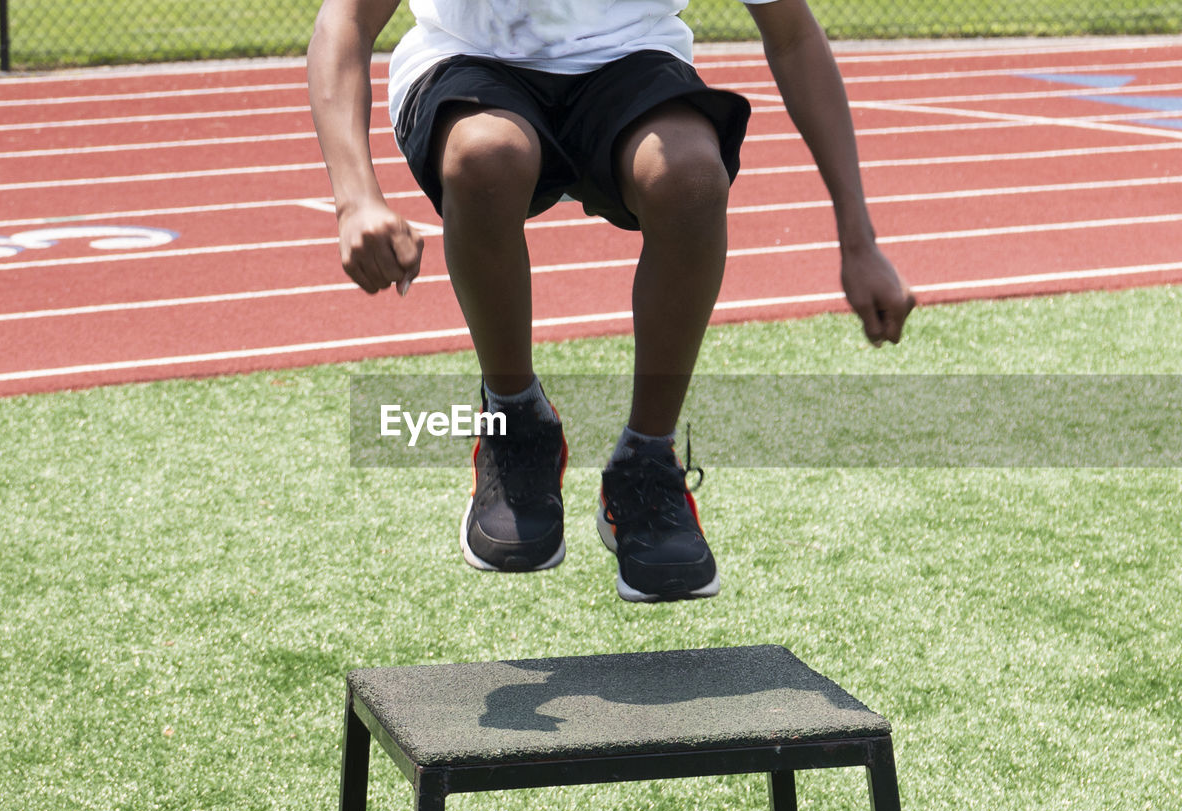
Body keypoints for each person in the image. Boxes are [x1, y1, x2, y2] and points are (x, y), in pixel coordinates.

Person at [307, 0, 915, 602]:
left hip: (630, 61)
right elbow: (347, 20)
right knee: (486, 156)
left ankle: (646, 462)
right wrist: (355, 196)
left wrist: (859, 239)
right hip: (469, 60)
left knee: (692, 177)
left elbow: (793, 38)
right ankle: (515, 420)